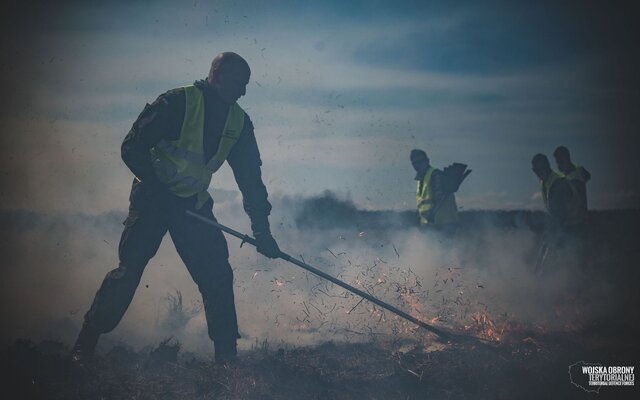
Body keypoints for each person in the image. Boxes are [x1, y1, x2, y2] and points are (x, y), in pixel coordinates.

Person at [71, 52, 281, 365]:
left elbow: (251, 181)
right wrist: (157, 189)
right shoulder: (176, 103)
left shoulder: (239, 123)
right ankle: (84, 344)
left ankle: (227, 360)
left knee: (217, 277)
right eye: (239, 83)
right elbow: (131, 147)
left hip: (192, 205)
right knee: (129, 271)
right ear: (217, 76)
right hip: (152, 200)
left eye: (246, 86)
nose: (243, 92)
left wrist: (262, 231)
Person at [410, 149, 459, 230]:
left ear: (427, 161)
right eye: (415, 163)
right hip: (430, 225)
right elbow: (422, 204)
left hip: (444, 223)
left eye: (420, 162)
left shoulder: (435, 175)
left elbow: (440, 198)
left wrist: (431, 215)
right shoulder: (420, 180)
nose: (417, 165)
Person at [553, 145, 591, 210]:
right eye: (557, 162)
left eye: (559, 162)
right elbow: (588, 176)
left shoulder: (578, 172)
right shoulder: (580, 171)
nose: (558, 165)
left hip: (576, 216)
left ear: (566, 159)